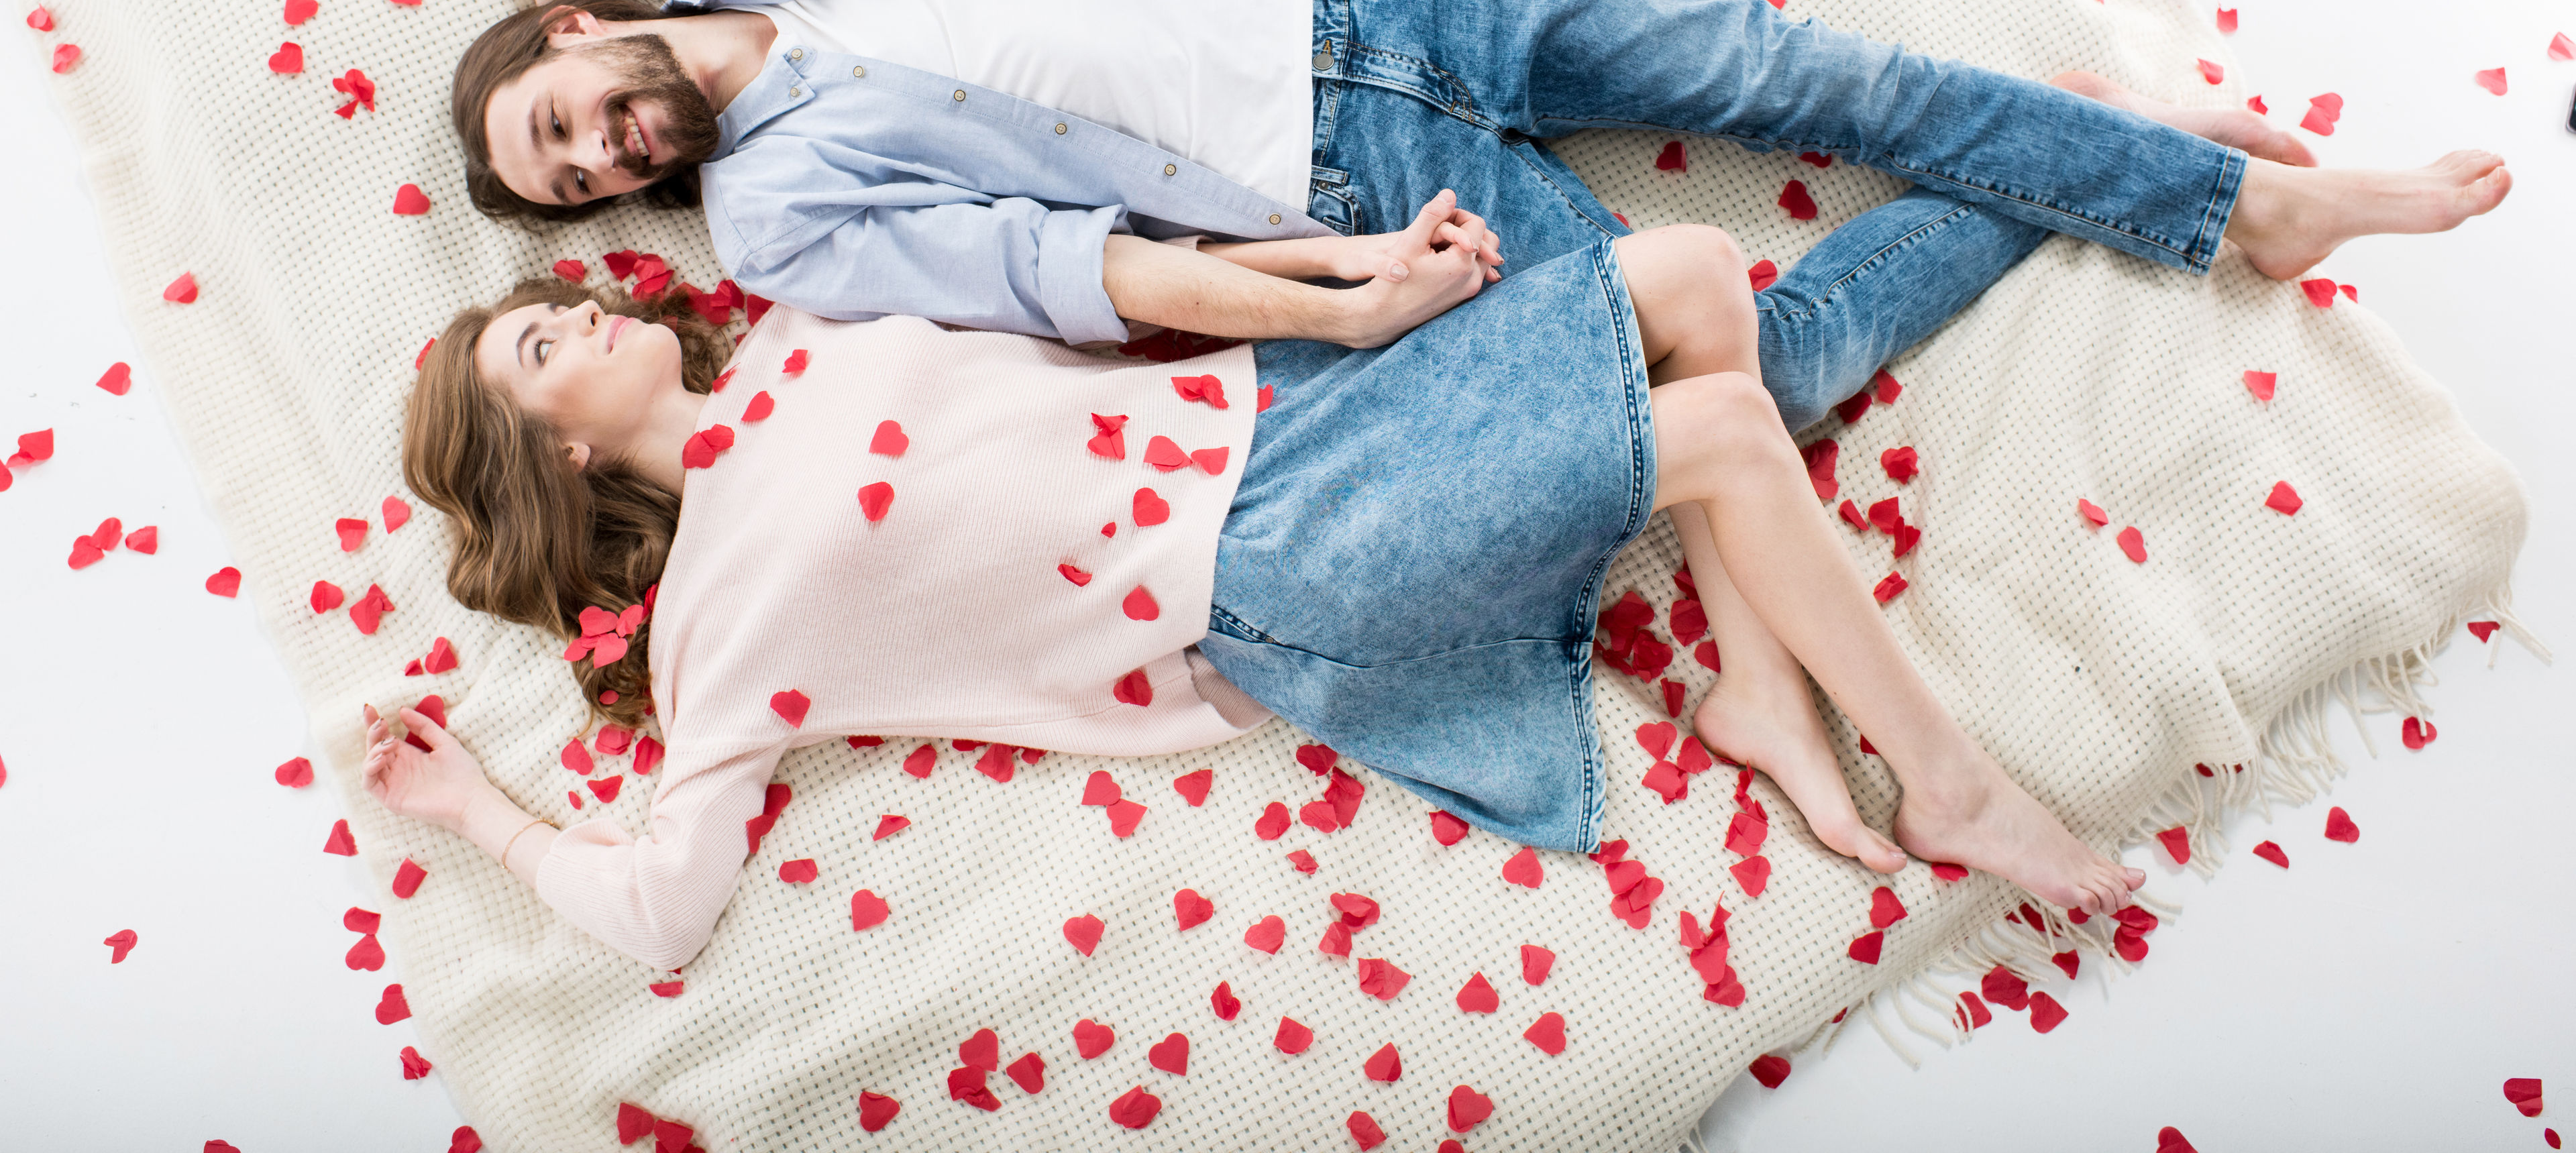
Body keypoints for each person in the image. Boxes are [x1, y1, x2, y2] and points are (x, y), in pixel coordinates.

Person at [450, 0, 2514, 434]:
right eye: (583, 185)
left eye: (569, 116)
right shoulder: (768, 213)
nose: (610, 147)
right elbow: (1067, 272)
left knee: (1813, 76)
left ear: (574, 47)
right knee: (1737, 383)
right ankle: (2139, 173)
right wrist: (1335, 291)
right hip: (1342, 158)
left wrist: (568, 2)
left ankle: (2238, 200)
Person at [372, 212, 2153, 975]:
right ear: (563, 459)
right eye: (542, 348)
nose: (586, 316)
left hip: (1279, 416)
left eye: (554, 306)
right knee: (1725, 440)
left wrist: (1353, 274)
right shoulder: (719, 623)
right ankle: (1951, 783)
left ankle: (1759, 694)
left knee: (1692, 273)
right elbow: (662, 908)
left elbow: (1107, 289)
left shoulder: (805, 330)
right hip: (1259, 570)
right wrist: (478, 811)